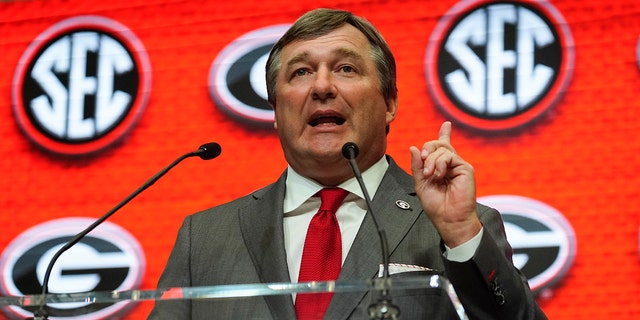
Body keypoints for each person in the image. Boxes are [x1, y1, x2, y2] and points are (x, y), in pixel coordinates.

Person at [148, 8, 547, 320]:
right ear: (275, 109)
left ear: (389, 103)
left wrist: (460, 235)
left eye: (346, 69)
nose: (322, 87)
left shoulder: (458, 224)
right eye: (301, 72)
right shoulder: (203, 238)